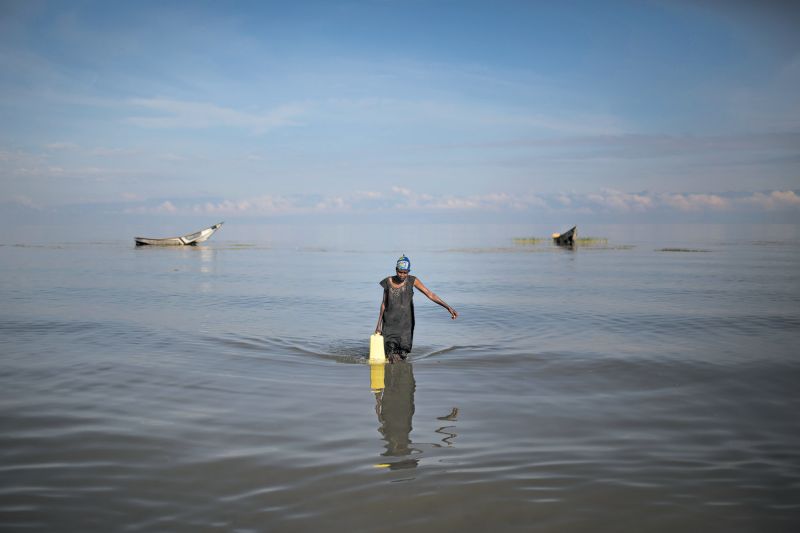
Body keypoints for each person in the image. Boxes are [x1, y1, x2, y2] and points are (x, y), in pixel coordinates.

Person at [375, 255, 458, 362]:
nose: (402, 275)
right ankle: (391, 373)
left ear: (408, 272)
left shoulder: (412, 280)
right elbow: (383, 304)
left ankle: (400, 373)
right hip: (389, 324)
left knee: (402, 353)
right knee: (389, 353)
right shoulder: (388, 282)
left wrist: (447, 307)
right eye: (400, 272)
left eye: (405, 272)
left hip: (406, 325)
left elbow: (430, 294)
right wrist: (378, 325)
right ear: (396, 270)